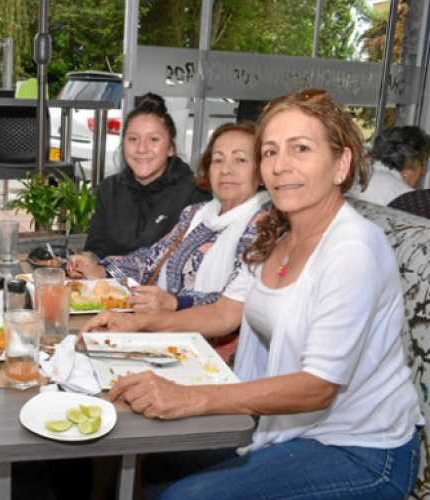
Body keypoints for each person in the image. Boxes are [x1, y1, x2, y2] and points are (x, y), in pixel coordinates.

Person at [91, 90, 423, 499]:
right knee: (132, 449)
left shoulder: (353, 249)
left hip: (361, 450)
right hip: (285, 428)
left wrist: (189, 398)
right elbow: (224, 314)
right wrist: (138, 322)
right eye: (270, 152)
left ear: (341, 164)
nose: (281, 166)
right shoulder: (276, 232)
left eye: (300, 148)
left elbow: (317, 386)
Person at [69, 122, 268, 314]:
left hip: (208, 344)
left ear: (261, 173)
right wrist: (102, 270)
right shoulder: (196, 214)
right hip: (164, 331)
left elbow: (238, 303)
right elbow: (149, 261)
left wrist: (176, 303)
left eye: (240, 160)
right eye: (218, 159)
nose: (226, 170)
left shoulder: (265, 226)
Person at [83, 93, 210, 258]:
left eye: (154, 139)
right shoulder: (110, 189)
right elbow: (95, 250)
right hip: (108, 283)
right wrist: (86, 261)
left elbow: (190, 261)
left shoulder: (194, 194)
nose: (141, 149)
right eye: (133, 139)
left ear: (170, 148)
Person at [349, 125, 430, 205]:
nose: (423, 173)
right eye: (422, 164)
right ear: (409, 166)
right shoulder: (406, 198)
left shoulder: (352, 178)